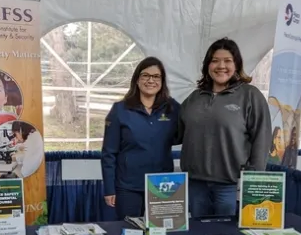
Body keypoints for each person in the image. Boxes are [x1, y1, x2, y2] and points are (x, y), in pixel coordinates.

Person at [178, 38, 272, 217]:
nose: (221, 66)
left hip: (230, 186)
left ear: (236, 65)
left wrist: (251, 182)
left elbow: (262, 139)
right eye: (215, 60)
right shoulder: (194, 98)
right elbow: (174, 133)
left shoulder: (250, 96)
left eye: (227, 60)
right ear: (207, 65)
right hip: (195, 186)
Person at [101, 57, 180, 218]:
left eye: (156, 76)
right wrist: (109, 188)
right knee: (132, 234)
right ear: (137, 80)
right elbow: (108, 153)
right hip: (128, 186)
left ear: (162, 81)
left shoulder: (173, 108)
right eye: (145, 75)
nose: (151, 80)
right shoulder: (120, 110)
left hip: (163, 185)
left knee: (163, 234)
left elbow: (184, 135)